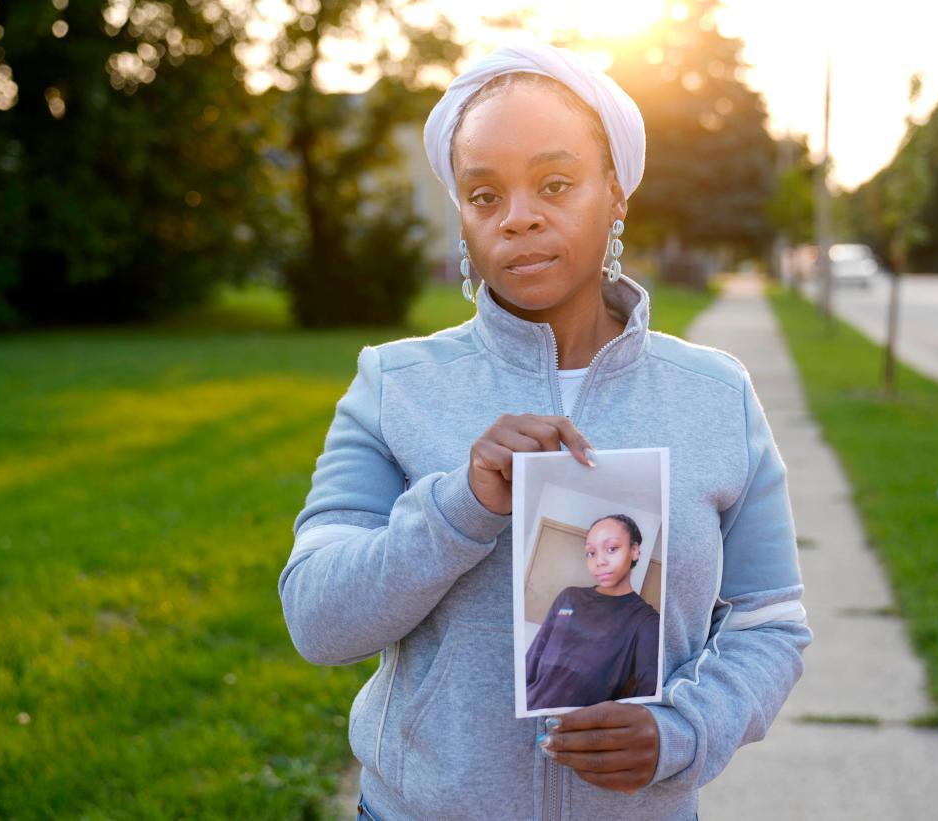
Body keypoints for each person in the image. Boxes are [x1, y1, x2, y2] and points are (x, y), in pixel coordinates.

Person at [279, 42, 811, 821]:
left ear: (616, 192)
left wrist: (683, 732)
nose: (518, 216)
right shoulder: (394, 385)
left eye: (554, 184)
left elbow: (769, 621)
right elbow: (319, 621)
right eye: (484, 195)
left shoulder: (715, 394)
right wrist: (460, 507)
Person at [526, 514, 661, 711]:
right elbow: (534, 654)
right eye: (591, 552)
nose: (599, 561)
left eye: (612, 549)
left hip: (575, 732)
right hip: (530, 706)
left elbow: (646, 698)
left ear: (634, 551)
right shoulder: (569, 597)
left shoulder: (646, 622)